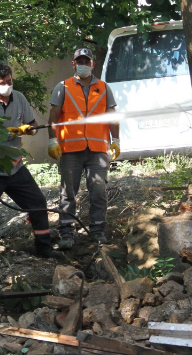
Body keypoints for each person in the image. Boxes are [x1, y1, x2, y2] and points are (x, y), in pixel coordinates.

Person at [0, 63, 63, 275]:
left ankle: (43, 247)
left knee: (37, 203)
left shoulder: (19, 98)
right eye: (2, 83)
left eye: (9, 81)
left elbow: (33, 126)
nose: (7, 86)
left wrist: (29, 130)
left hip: (15, 168)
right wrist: (6, 132)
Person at [47, 48, 120, 250]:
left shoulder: (104, 88)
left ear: (92, 64)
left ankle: (97, 232)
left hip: (97, 149)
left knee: (98, 191)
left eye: (86, 61)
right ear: (73, 64)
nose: (83, 64)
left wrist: (117, 139)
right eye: (79, 61)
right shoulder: (63, 87)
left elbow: (112, 115)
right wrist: (52, 140)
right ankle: (67, 234)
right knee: (67, 193)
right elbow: (53, 115)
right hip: (70, 149)